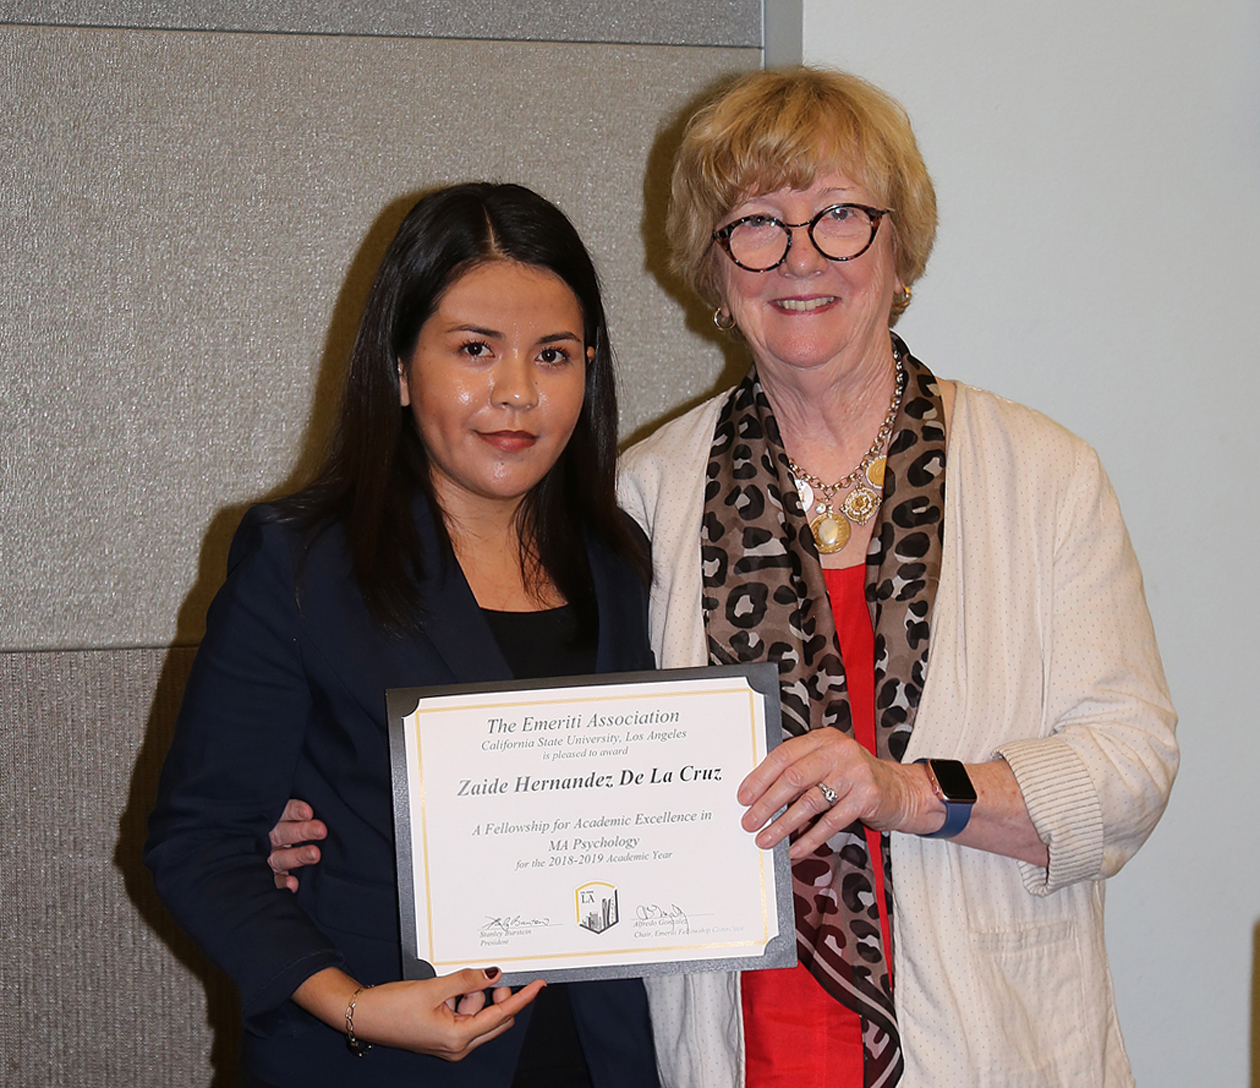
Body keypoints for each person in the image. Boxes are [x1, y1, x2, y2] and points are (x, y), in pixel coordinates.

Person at [269, 69, 1179, 1087]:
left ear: (899, 245)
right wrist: (349, 814)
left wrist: (908, 791)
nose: (799, 257)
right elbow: (537, 752)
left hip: (992, 1044)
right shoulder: (642, 498)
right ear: (714, 263)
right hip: (722, 1047)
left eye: (839, 214)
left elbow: (1130, 764)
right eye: (756, 224)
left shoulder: (1040, 474)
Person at [144, 182, 660, 1088]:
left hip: (600, 1052)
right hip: (377, 1058)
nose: (516, 394)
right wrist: (350, 1004)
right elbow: (198, 842)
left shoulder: (624, 559)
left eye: (553, 354)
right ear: (397, 367)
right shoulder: (300, 562)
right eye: (473, 351)